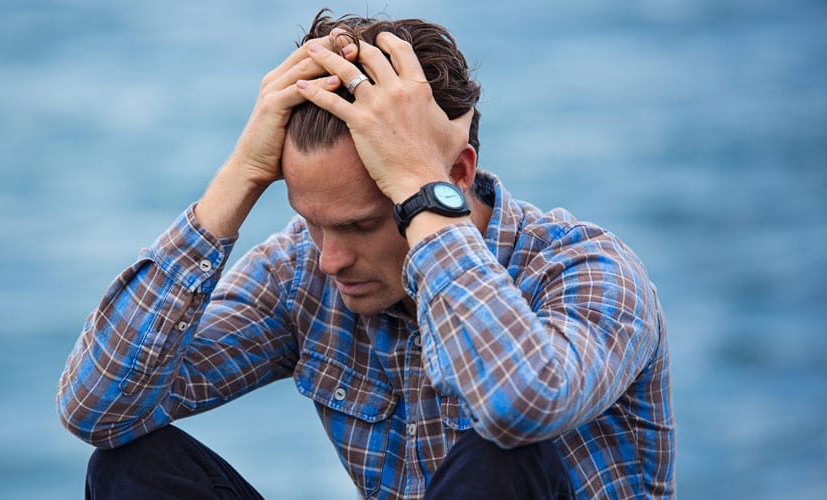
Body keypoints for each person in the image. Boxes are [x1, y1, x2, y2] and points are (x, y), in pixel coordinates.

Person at [57, 9, 674, 500]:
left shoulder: (588, 272)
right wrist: (239, 177)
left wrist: (418, 192)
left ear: (455, 176)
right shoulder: (301, 271)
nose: (329, 259)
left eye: (359, 224)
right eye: (312, 223)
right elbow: (97, 410)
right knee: (129, 466)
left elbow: (518, 406)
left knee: (504, 454)